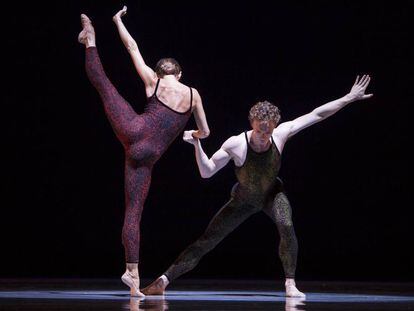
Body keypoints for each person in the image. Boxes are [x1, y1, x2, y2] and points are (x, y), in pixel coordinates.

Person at [142, 75, 373, 297]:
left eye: (268, 130)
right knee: (208, 239)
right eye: (260, 129)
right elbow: (207, 172)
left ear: (275, 126)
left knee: (286, 222)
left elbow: (317, 115)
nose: (264, 135)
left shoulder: (281, 135)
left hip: (272, 194)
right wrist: (197, 144)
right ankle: (164, 280)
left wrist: (349, 98)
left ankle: (290, 284)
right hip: (243, 200)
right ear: (252, 123)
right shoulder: (236, 144)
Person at [78, 6, 210, 297]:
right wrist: (193, 135)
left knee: (104, 86)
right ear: (180, 73)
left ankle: (90, 40)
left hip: (133, 131)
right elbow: (206, 132)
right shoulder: (193, 95)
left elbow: (131, 47)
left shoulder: (155, 80)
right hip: (147, 158)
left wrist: (117, 20)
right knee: (133, 213)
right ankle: (133, 275)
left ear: (162, 71)